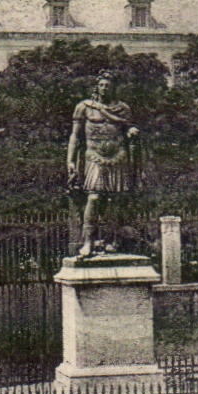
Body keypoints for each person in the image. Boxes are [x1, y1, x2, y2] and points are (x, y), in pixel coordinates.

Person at [66, 71, 139, 257]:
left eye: (108, 85)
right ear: (97, 87)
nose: (105, 88)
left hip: (118, 156)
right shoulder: (85, 107)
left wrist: (131, 130)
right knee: (94, 197)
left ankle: (111, 241)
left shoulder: (122, 109)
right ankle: (88, 241)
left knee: (114, 201)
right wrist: (70, 160)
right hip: (94, 156)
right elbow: (75, 135)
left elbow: (127, 126)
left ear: (113, 88)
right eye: (102, 85)